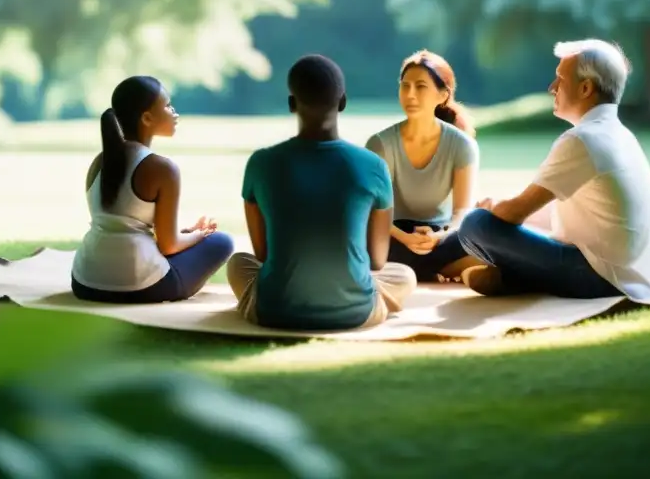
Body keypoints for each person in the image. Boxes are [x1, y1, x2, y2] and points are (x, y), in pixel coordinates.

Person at [457, 39, 650, 300]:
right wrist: (501, 207)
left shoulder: (582, 139)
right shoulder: (620, 135)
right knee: (494, 223)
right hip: (634, 276)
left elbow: (516, 212)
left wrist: (491, 210)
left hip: (599, 277)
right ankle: (514, 278)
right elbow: (565, 213)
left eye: (560, 79)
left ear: (586, 87)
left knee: (476, 224)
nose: (552, 88)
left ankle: (517, 276)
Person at [226, 54, 416, 331]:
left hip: (275, 311)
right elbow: (377, 260)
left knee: (238, 263)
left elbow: (264, 254)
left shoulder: (261, 162)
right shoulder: (374, 166)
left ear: (292, 104)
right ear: (343, 102)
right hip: (356, 312)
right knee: (404, 276)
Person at [71, 76, 234, 303]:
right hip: (140, 286)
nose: (174, 111)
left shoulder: (99, 162)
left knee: (189, 241)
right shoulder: (163, 168)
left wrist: (185, 234)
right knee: (222, 241)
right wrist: (199, 235)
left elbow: (125, 224)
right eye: (167, 106)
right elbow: (168, 246)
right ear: (147, 118)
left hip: (85, 281)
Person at [365, 50, 481, 282]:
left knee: (481, 235)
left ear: (442, 95)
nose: (410, 94)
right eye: (404, 85)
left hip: (441, 234)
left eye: (420, 86)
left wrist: (438, 237)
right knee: (364, 237)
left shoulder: (462, 145)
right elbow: (372, 211)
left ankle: (416, 270)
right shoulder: (380, 144)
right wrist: (407, 238)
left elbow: (461, 212)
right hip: (391, 233)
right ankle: (450, 268)